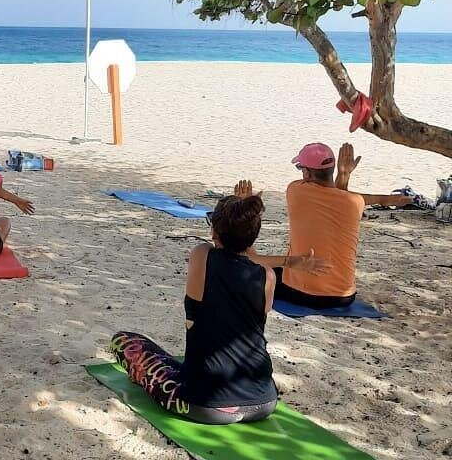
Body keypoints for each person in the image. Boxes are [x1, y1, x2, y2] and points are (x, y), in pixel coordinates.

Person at [112, 192, 329, 425]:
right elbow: (249, 260)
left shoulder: (202, 255)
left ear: (214, 232)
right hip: (264, 401)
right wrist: (289, 260)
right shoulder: (267, 277)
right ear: (252, 238)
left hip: (205, 405)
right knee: (180, 364)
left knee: (123, 341)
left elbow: (235, 257)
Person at [276, 142, 411, 308]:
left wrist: (345, 176)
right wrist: (381, 197)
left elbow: (334, 197)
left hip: (303, 294)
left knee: (262, 272)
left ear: (307, 173)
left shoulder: (295, 190)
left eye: (301, 168)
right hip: (344, 296)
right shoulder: (354, 203)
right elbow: (340, 198)